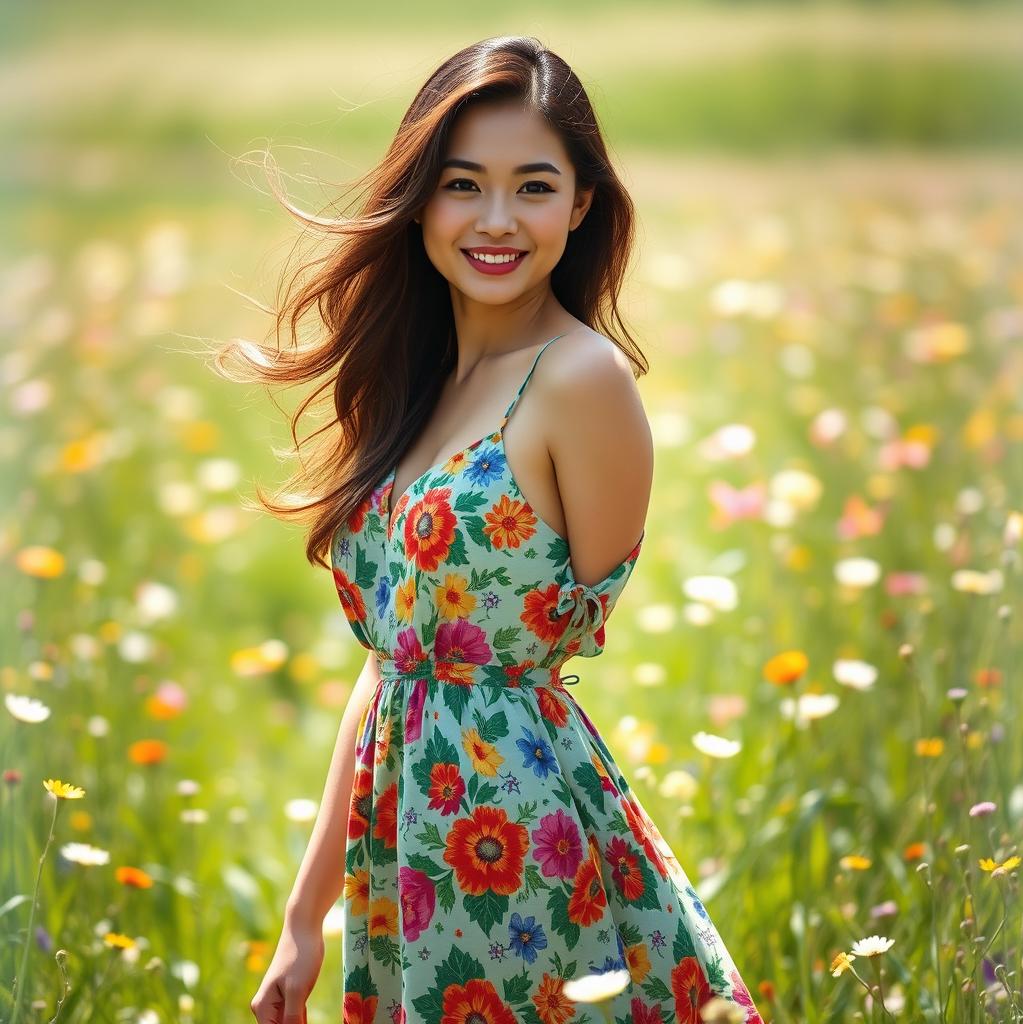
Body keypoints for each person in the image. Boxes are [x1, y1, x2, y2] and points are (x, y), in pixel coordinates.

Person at [245, 34, 763, 1024]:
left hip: (512, 843)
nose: (494, 221)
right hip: (398, 854)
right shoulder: (419, 386)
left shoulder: (579, 381)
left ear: (581, 205)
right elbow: (390, 667)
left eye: (532, 187)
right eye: (461, 185)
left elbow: (555, 635)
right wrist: (305, 917)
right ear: (422, 201)